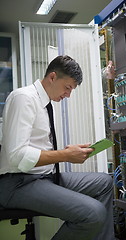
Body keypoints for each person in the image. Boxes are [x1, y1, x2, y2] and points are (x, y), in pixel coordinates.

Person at [0, 55, 115, 240]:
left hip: (44, 176)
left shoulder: (43, 104)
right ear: (52, 77)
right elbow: (17, 156)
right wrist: (65, 155)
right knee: (94, 214)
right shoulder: (24, 98)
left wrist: (67, 152)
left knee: (104, 182)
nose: (68, 95)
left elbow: (36, 148)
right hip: (17, 183)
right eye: (67, 87)